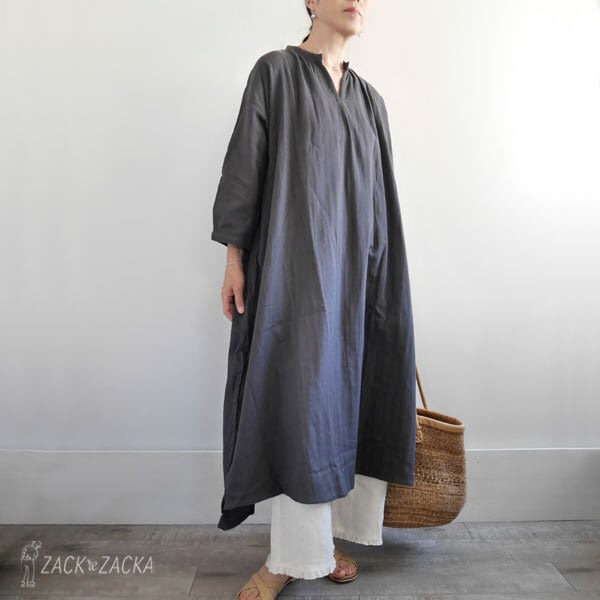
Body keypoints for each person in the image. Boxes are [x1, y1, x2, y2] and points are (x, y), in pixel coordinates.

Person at [211, 1, 417, 598]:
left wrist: (386, 293)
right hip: (296, 276)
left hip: (364, 279)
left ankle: (324, 544)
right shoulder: (275, 74)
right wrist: (234, 259)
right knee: (301, 405)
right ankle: (291, 557)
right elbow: (245, 169)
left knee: (353, 401)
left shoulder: (370, 100)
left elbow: (381, 200)